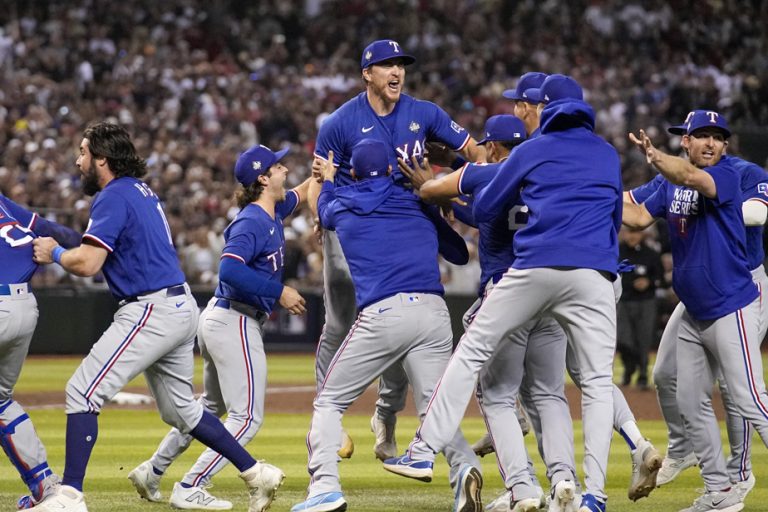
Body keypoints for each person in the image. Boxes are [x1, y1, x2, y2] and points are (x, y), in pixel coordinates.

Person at [385, 74, 621, 512]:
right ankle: (592, 495)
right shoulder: (607, 154)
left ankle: (423, 451)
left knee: (472, 352)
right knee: (594, 384)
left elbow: (488, 207)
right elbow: (614, 215)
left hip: (531, 268)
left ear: (544, 108)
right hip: (594, 274)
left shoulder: (532, 150)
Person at [29, 123, 284, 512]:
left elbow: (88, 261)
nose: (78, 160)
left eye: (83, 152)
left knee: (82, 391)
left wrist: (56, 255)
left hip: (151, 308)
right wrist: (55, 234)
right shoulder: (138, 191)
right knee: (182, 410)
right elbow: (97, 244)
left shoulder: (113, 196)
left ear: (102, 158)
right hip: (179, 305)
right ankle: (255, 473)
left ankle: (70, 495)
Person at [310, 39, 486, 461]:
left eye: (400, 65)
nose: (396, 71)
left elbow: (476, 154)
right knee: (340, 323)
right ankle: (329, 423)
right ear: (366, 73)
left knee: (393, 320)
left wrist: (447, 187)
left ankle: (385, 415)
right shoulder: (340, 122)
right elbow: (319, 175)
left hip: (407, 221)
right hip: (355, 225)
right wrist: (322, 211)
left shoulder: (424, 113)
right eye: (386, 65)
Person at [401, 112, 578, 512]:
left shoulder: (490, 176)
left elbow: (468, 206)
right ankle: (565, 478)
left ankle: (522, 487)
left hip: (509, 292)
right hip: (552, 293)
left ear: (494, 146)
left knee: (497, 395)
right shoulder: (544, 174)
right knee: (550, 394)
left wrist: (434, 185)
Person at [292, 139, 480, 512]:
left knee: (329, 401)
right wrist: (433, 208)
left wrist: (329, 178)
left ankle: (325, 487)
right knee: (432, 408)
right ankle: (465, 469)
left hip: (385, 312)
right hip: (433, 312)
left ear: (356, 173)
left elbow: (324, 211)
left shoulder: (343, 201)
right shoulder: (417, 201)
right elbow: (459, 254)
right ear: (393, 170)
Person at [126, 144, 310, 509]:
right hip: (234, 319)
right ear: (262, 178)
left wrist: (325, 170)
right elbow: (229, 269)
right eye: (277, 165)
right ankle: (191, 483)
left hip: (223, 319)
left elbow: (302, 192)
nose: (285, 169)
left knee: (207, 410)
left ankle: (153, 470)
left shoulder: (272, 211)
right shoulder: (252, 221)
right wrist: (279, 291)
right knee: (247, 417)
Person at [622, 111, 768, 512]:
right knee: (688, 400)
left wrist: (655, 157)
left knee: (750, 398)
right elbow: (635, 213)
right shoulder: (670, 182)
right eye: (701, 136)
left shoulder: (724, 176)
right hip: (695, 307)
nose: (710, 143)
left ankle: (735, 477)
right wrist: (584, 194)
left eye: (717, 137)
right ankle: (719, 492)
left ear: (724, 145)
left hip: (731, 302)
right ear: (685, 141)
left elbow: (691, 179)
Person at [0, 195, 81, 510]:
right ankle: (46, 486)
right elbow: (47, 227)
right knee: (2, 401)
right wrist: (85, 245)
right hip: (23, 305)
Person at [616, 228, 662, 390]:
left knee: (644, 338)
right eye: (628, 232)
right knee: (623, 339)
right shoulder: (617, 250)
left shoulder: (651, 253)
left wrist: (649, 282)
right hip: (623, 300)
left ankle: (642, 374)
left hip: (646, 301)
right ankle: (629, 369)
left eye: (635, 232)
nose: (632, 235)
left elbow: (660, 277)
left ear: (642, 233)